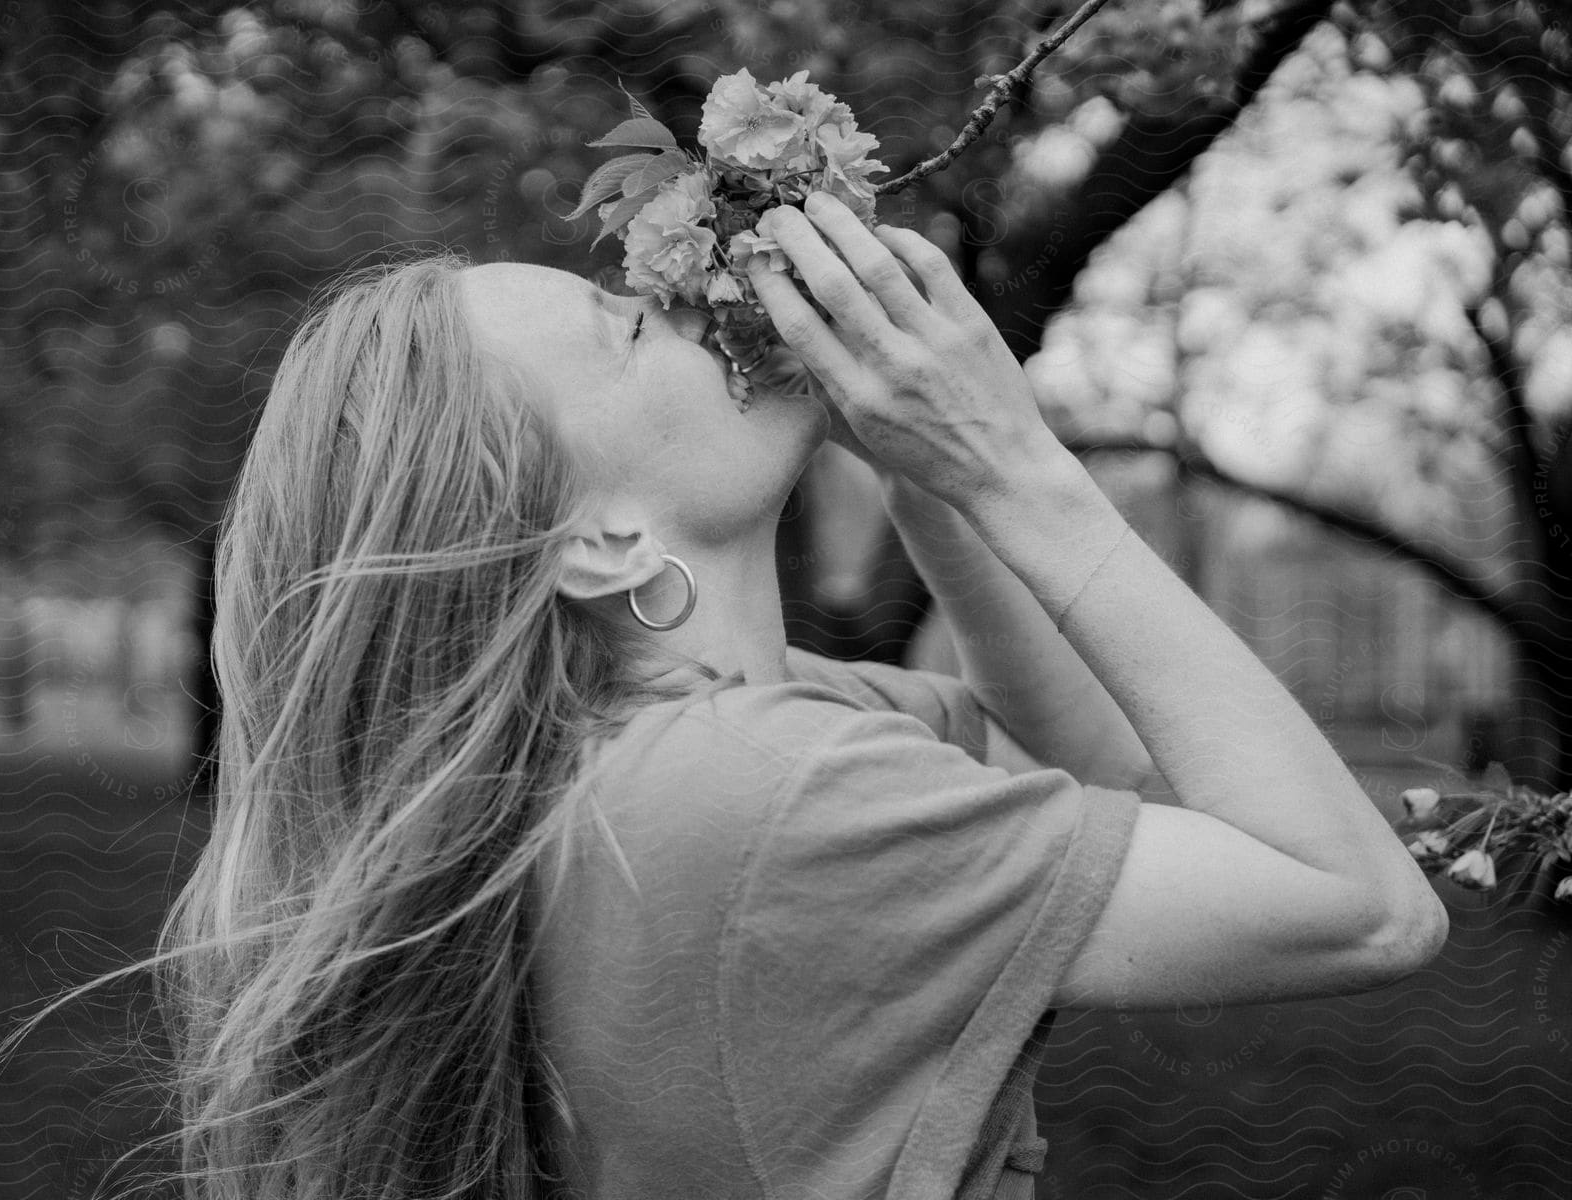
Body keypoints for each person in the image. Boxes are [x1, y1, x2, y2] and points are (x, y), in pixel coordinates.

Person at [154, 191, 1448, 1200]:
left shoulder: (699, 754)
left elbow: (1104, 769)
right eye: (627, 329)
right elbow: (1363, 909)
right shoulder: (759, 799)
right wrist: (1014, 466)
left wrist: (928, 471)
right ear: (596, 546)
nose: (686, 301)